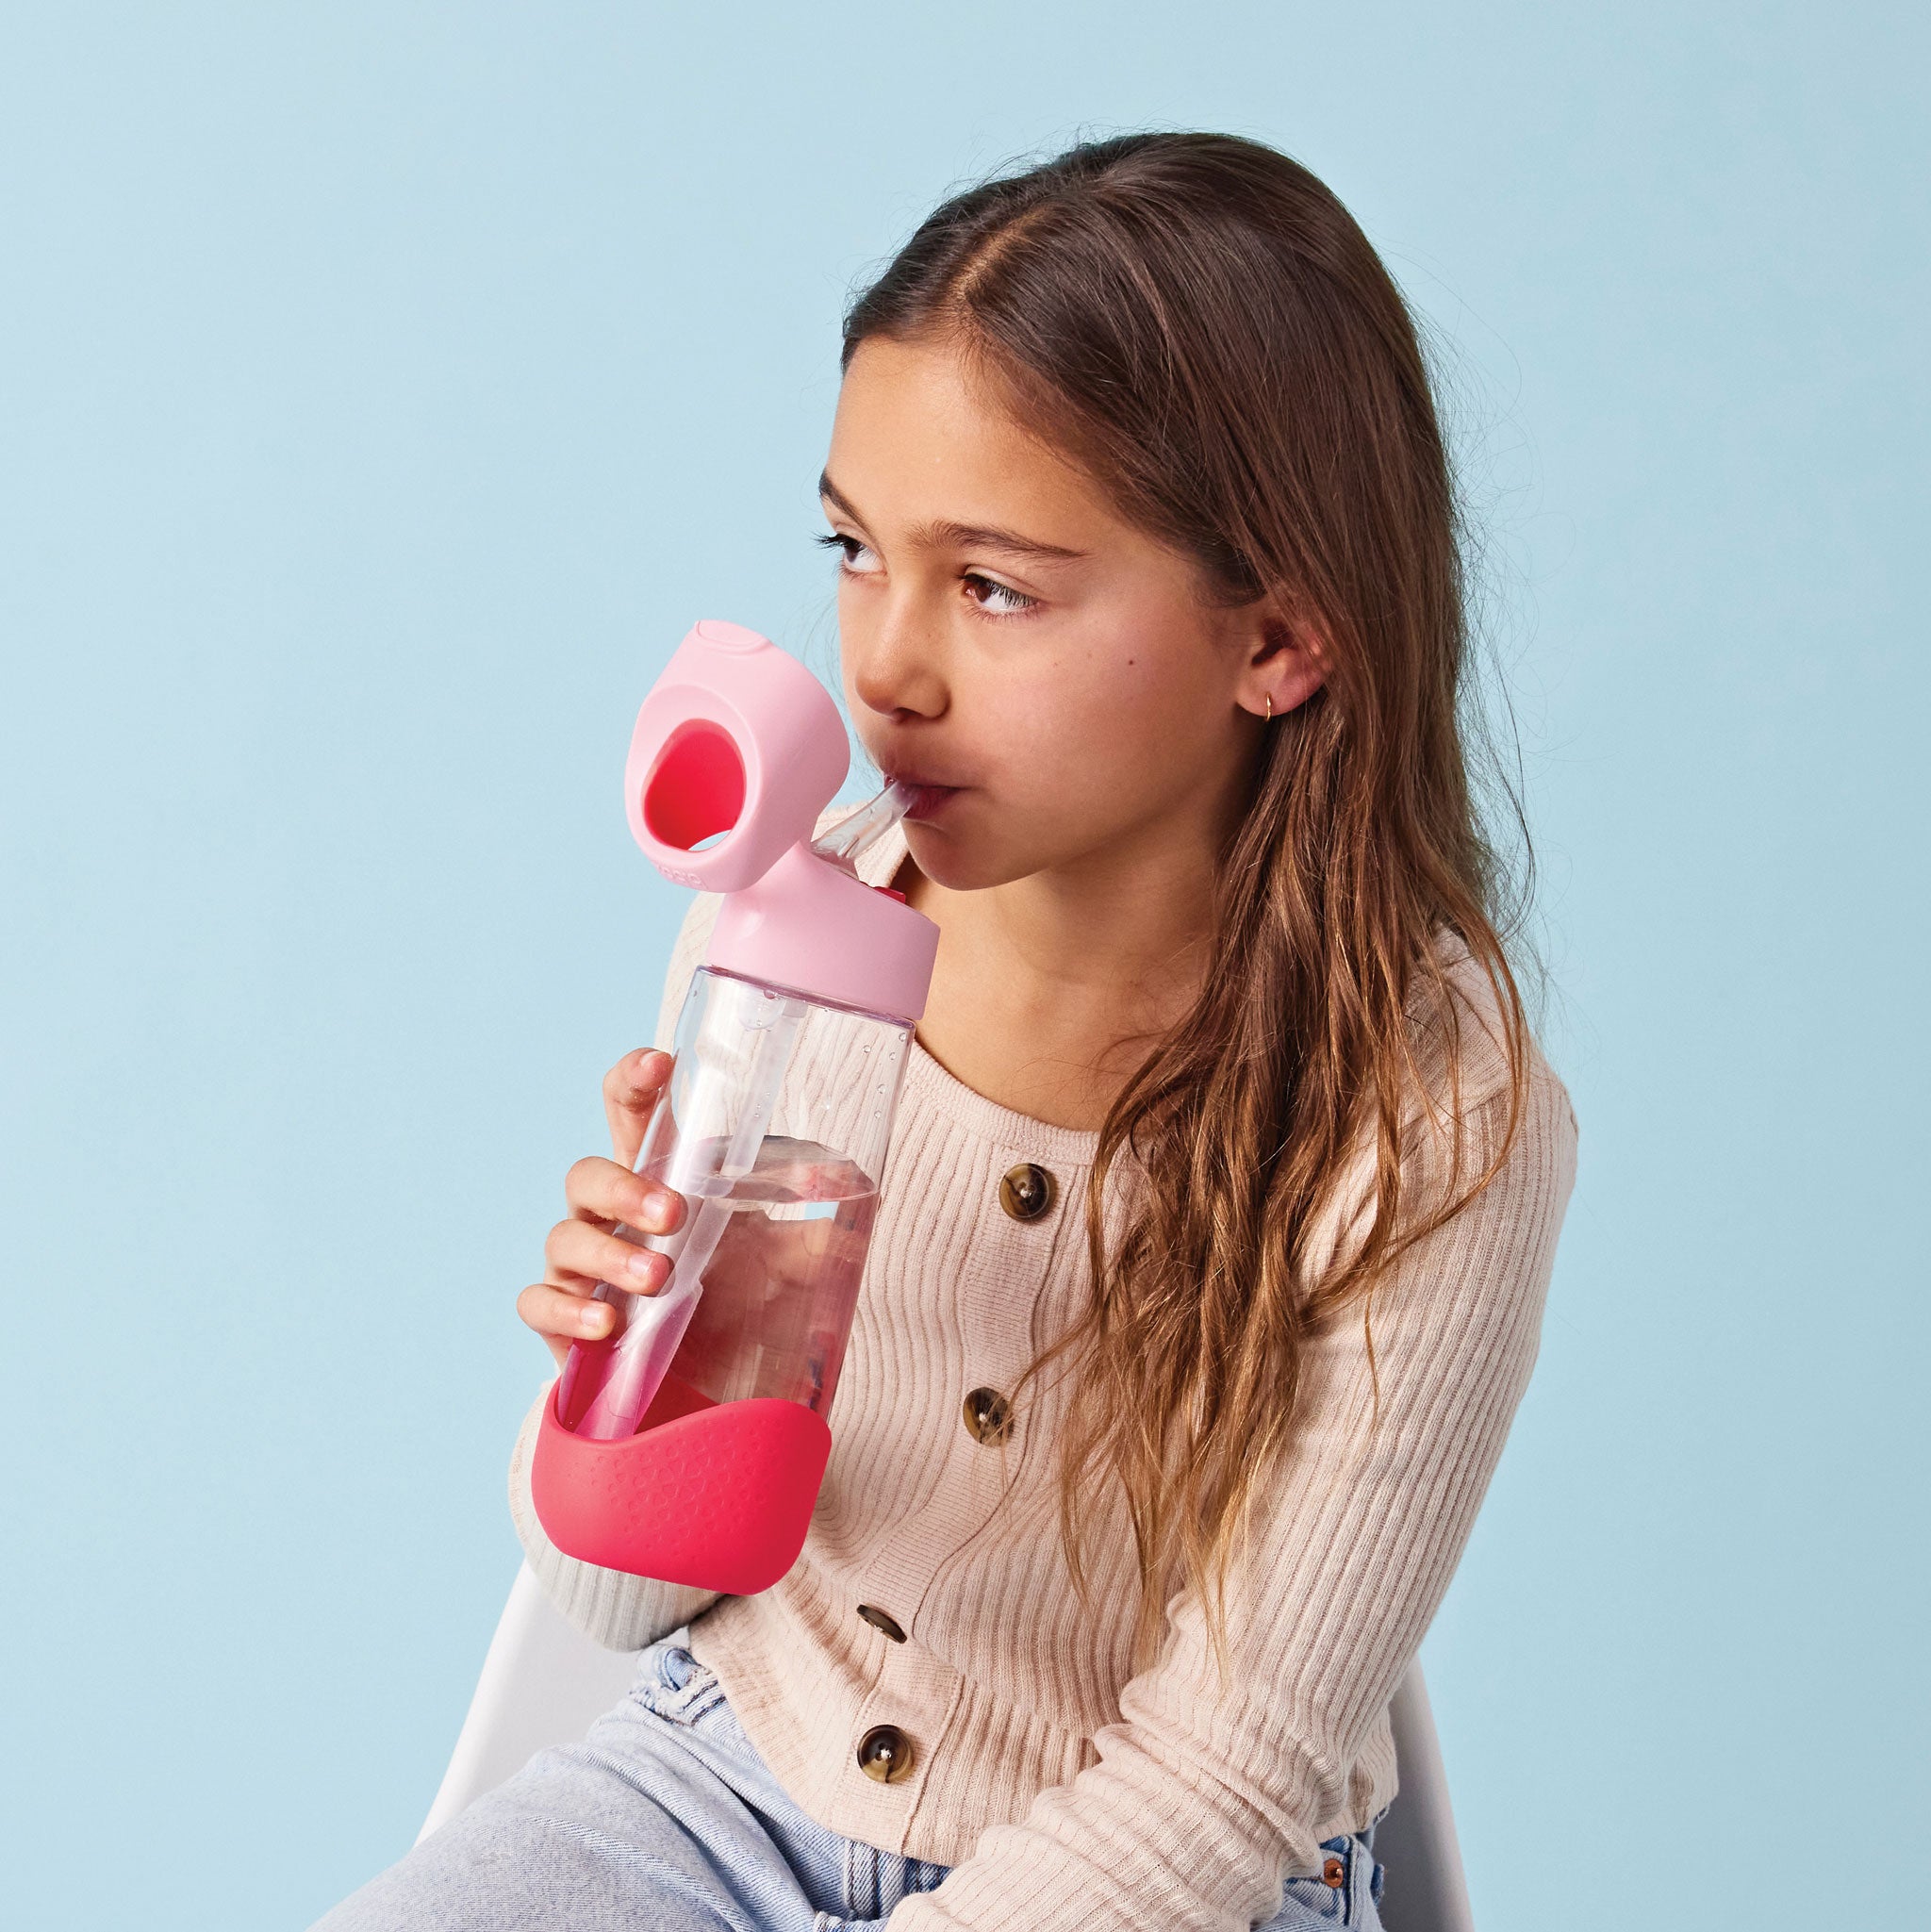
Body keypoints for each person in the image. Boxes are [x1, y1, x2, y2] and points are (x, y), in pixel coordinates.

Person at [317, 130, 1577, 1931]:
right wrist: (638, 1373)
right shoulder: (785, 946)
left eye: (994, 585)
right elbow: (618, 1597)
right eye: (853, 549)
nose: (887, 665)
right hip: (724, 1789)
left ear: (1280, 636)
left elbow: (1214, 1793)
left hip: (1181, 1877)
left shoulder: (1429, 1112)